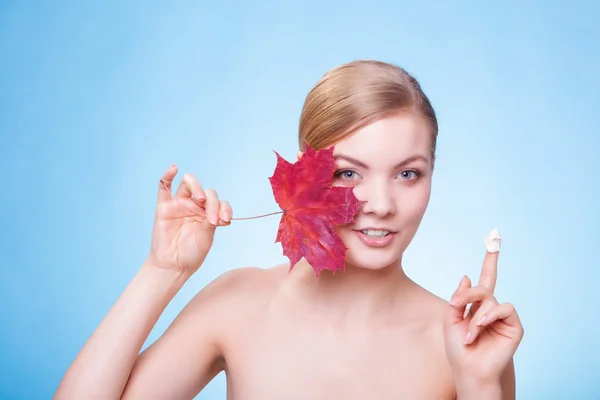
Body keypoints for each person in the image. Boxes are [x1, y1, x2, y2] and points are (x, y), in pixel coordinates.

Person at [55, 60, 524, 399]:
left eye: (408, 174)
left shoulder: (460, 345)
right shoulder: (238, 303)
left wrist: (480, 385)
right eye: (348, 173)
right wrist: (162, 270)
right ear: (305, 171)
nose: (380, 206)